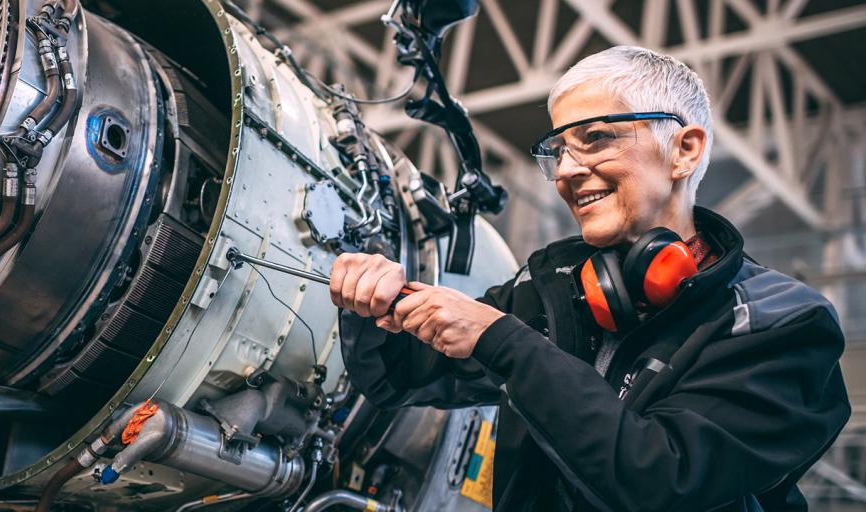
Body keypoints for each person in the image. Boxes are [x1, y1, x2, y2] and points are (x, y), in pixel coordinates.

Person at [330, 46, 850, 511]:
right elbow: (396, 377)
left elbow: (663, 483)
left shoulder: (783, 325)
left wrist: (504, 342)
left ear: (685, 150)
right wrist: (367, 303)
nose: (564, 172)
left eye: (596, 138)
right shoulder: (551, 288)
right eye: (557, 150)